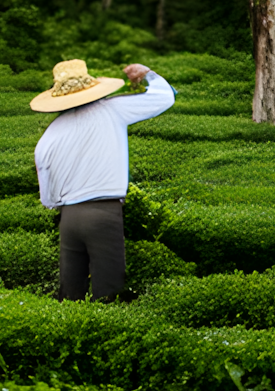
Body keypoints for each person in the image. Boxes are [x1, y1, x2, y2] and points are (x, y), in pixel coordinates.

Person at [31, 58, 178, 301]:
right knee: (109, 292)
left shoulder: (51, 132)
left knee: (70, 294)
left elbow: (45, 186)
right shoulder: (111, 109)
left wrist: (57, 204)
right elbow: (164, 97)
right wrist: (147, 74)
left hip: (68, 218)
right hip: (103, 213)